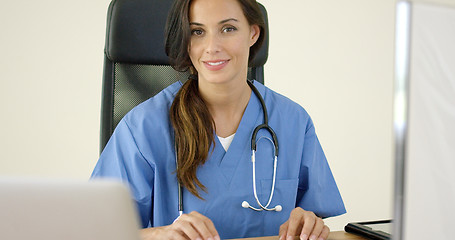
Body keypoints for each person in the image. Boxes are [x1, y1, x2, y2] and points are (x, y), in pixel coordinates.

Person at [91, 0, 346, 239]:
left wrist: (310, 221)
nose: (212, 47)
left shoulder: (293, 122)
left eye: (228, 28)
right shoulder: (144, 127)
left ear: (253, 34)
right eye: (197, 32)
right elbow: (96, 229)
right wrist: (158, 235)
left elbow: (313, 216)